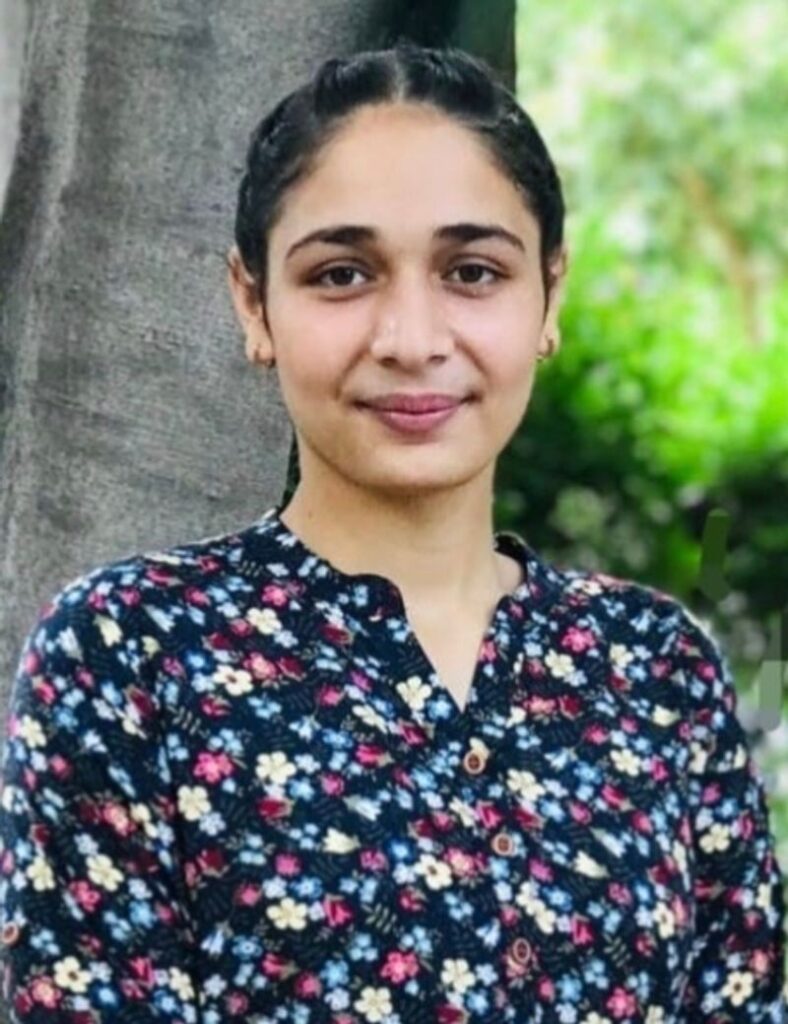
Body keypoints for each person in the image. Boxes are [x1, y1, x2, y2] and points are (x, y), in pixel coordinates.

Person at [0, 40, 785, 1024]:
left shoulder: (654, 670)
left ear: (549, 294)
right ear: (254, 303)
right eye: (341, 274)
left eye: (472, 271)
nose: (411, 340)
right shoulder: (132, 651)